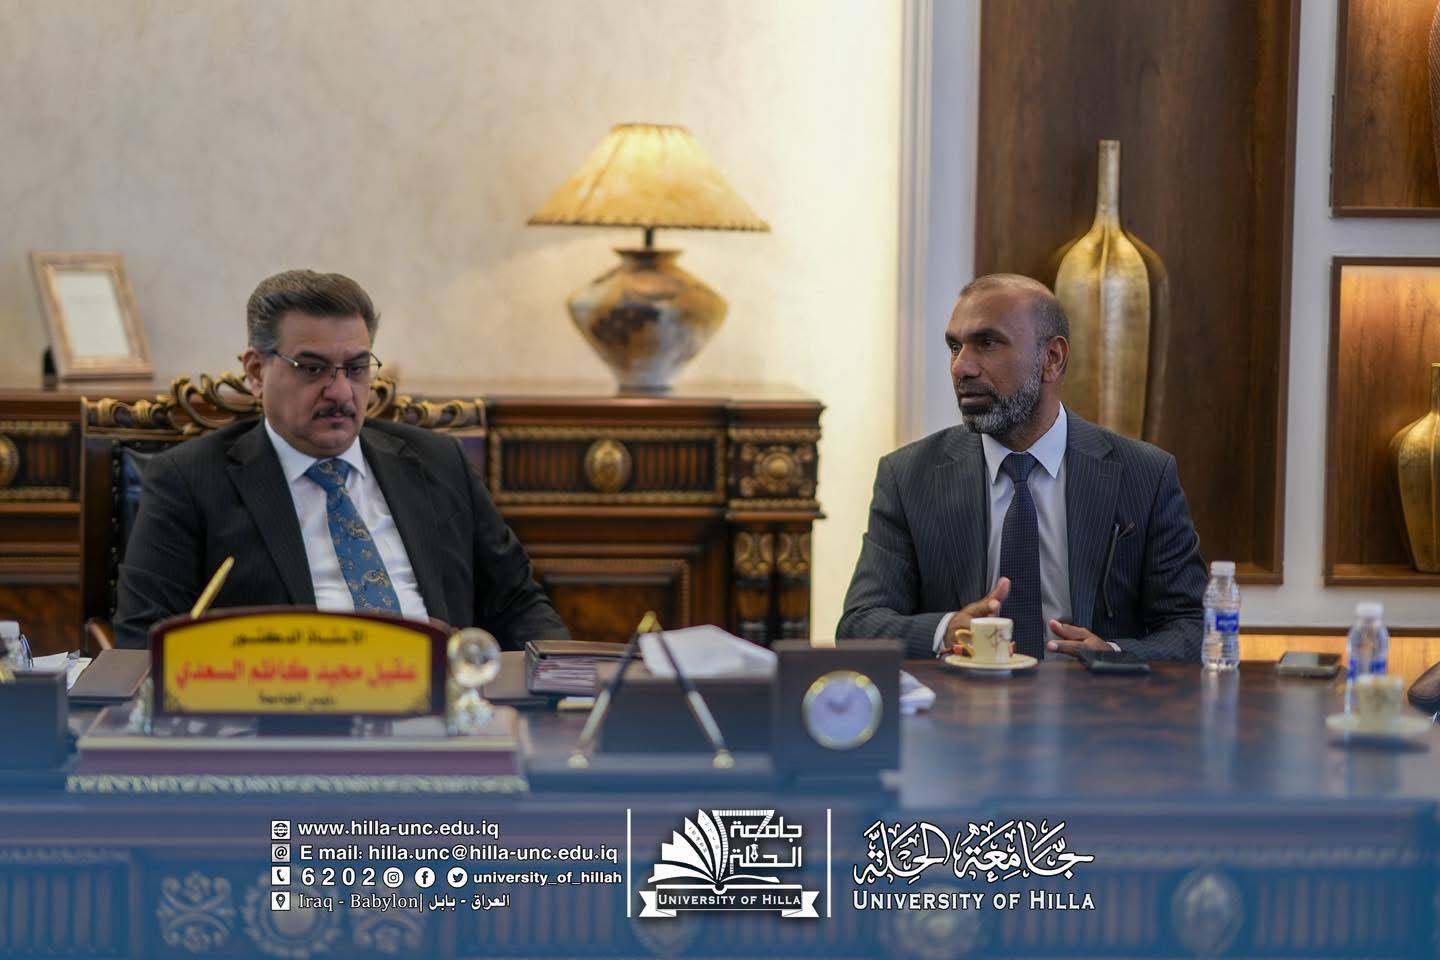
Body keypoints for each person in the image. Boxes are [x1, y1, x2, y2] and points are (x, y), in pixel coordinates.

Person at [114, 269, 569, 649]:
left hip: (444, 704)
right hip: (286, 713)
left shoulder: (437, 461)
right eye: (313, 369)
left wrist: (566, 684)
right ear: (255, 371)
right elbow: (144, 638)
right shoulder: (189, 480)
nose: (340, 392)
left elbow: (517, 603)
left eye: (356, 368)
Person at [837, 273, 1205, 661]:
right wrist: (946, 631)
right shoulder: (909, 476)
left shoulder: (1144, 475)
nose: (961, 367)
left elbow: (1192, 627)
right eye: (955, 347)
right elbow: (860, 625)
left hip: (1092, 697)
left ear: (1052, 358)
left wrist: (1110, 655)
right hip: (961, 696)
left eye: (987, 343)